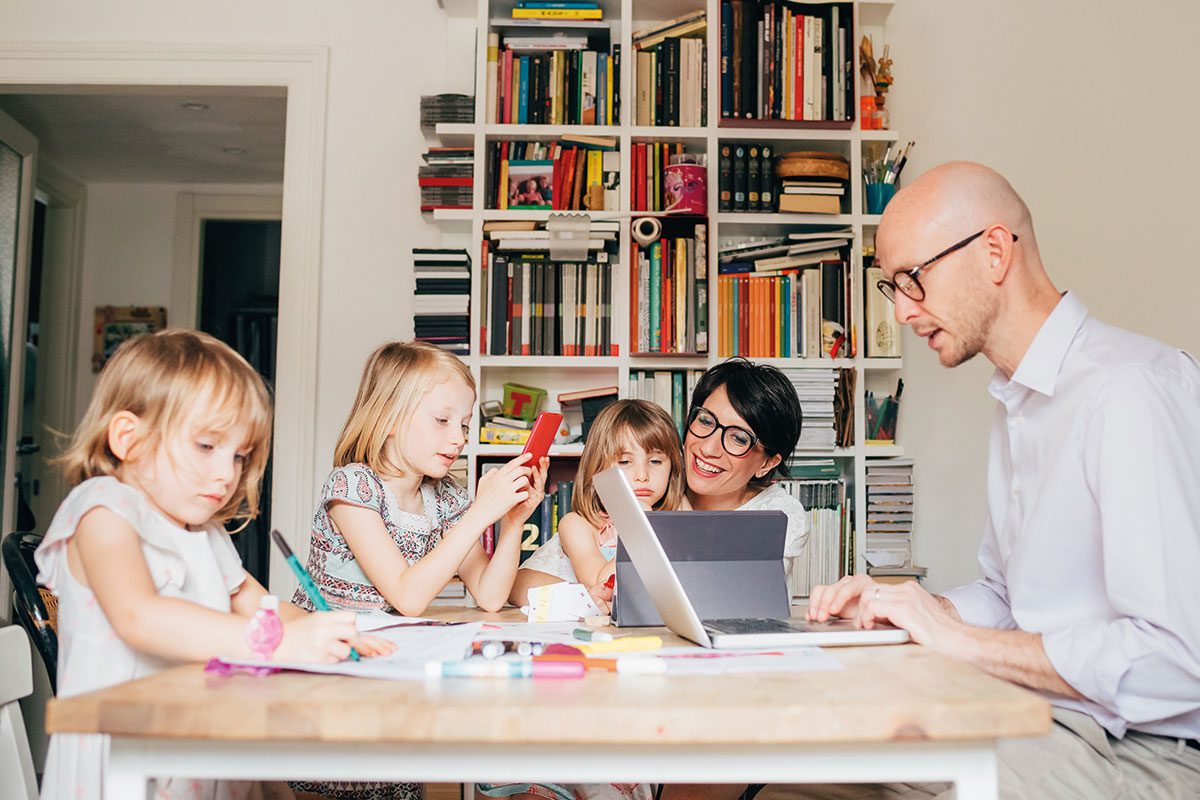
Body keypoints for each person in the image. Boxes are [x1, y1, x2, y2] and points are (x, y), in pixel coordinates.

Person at [761, 161, 1200, 799]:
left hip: (1143, 751)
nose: (905, 312)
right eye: (892, 289)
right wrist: (913, 611)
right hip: (1046, 720)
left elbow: (1177, 659)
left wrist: (957, 640)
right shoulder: (1018, 402)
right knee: (797, 783)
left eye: (913, 278)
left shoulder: (1127, 390)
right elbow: (1006, 596)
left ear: (994, 251)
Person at [34, 329, 392, 800]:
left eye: (240, 456)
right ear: (128, 437)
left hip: (194, 748)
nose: (227, 474)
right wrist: (280, 644)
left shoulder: (201, 529)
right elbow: (140, 616)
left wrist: (336, 630)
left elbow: (253, 600)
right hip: (122, 761)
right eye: (206, 446)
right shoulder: (103, 509)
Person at [508, 399, 686, 611]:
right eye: (625, 462)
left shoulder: (677, 516)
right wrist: (638, 526)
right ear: (597, 468)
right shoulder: (578, 524)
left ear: (673, 467)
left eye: (655, 461)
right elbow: (601, 586)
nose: (642, 476)